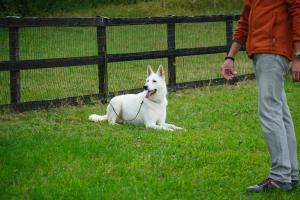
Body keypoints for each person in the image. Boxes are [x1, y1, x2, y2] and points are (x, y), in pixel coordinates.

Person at [221, 0, 300, 192]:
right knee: (280, 113)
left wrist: (298, 56)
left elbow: (298, 11)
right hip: (262, 52)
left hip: (272, 50)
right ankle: (291, 175)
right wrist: (230, 56)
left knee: (270, 112)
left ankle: (280, 176)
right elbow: (244, 21)